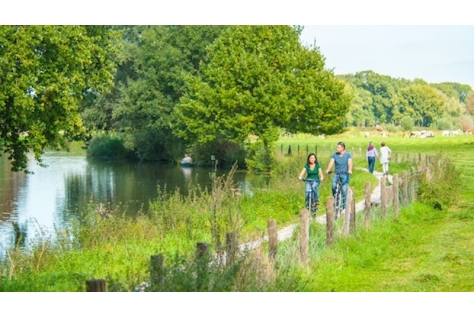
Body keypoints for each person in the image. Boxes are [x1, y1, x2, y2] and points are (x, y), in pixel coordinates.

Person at [325, 141, 353, 210]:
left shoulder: (348, 154)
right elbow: (331, 162)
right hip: (336, 174)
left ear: (343, 148)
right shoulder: (334, 155)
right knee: (333, 186)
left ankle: (344, 208)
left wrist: (349, 170)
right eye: (337, 147)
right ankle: (335, 199)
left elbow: (350, 163)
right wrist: (328, 169)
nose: (337, 148)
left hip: (345, 174)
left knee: (344, 191)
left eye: (338, 147)